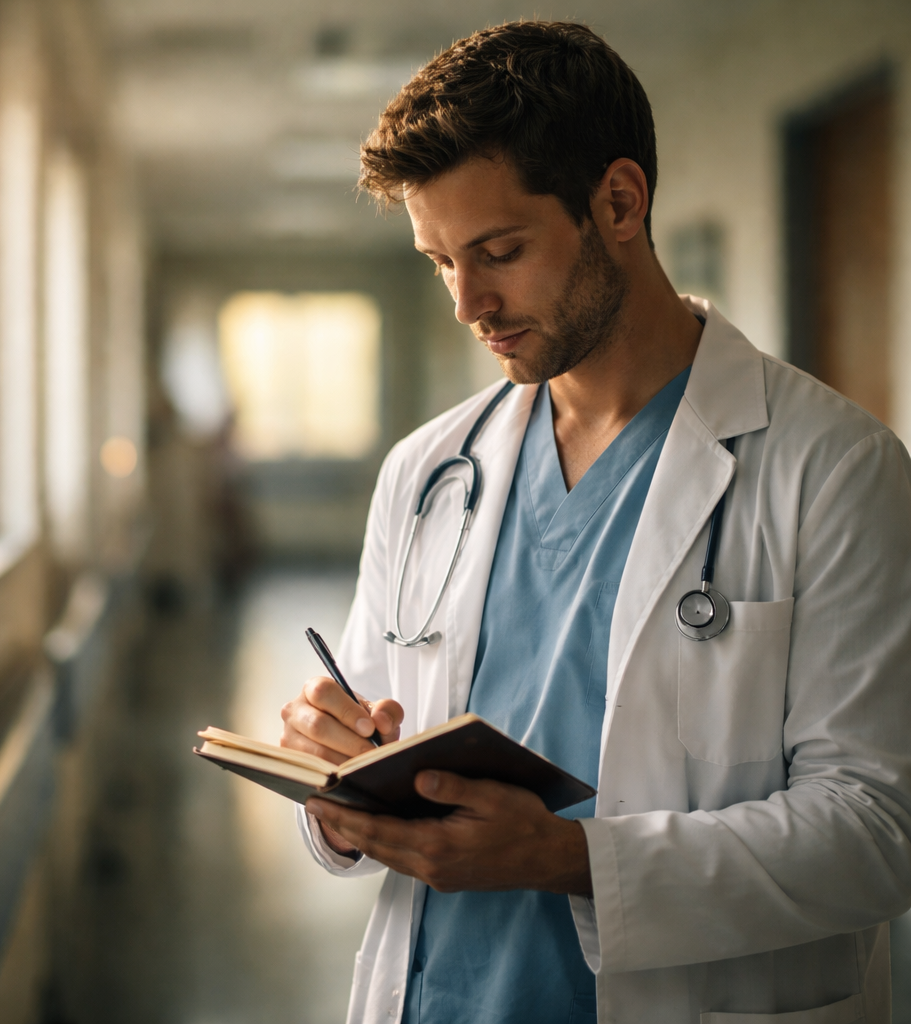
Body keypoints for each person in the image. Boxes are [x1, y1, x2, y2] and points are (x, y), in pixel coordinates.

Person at [279, 21, 911, 1024]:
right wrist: (338, 785)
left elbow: (878, 830)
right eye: (438, 261)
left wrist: (562, 857)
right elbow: (371, 752)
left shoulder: (832, 469)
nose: (467, 302)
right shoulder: (426, 473)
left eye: (498, 251)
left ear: (618, 201)